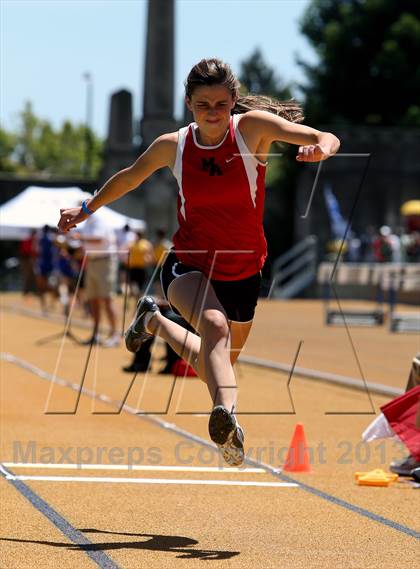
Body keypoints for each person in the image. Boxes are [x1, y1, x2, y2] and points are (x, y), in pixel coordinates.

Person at [58, 58, 340, 466]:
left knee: (217, 363)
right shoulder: (173, 145)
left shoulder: (252, 130)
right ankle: (228, 421)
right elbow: (130, 177)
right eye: (203, 104)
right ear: (188, 103)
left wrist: (321, 150)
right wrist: (87, 207)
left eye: (221, 105)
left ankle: (154, 321)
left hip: (243, 269)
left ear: (234, 103)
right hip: (188, 263)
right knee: (214, 326)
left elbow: (323, 135)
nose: (212, 112)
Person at [75, 211, 120, 347]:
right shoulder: (88, 221)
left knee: (107, 299)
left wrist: (80, 238)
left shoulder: (98, 219)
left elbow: (98, 238)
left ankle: (114, 335)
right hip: (93, 261)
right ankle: (96, 334)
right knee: (93, 300)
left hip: (105, 262)